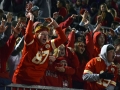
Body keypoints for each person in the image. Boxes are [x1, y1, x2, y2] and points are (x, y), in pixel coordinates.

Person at [12, 12, 67, 85]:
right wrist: (31, 19)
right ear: (36, 35)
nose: (45, 36)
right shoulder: (31, 42)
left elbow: (63, 39)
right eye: (43, 34)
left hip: (35, 81)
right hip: (21, 79)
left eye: (47, 35)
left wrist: (54, 23)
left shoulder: (48, 45)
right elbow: (28, 34)